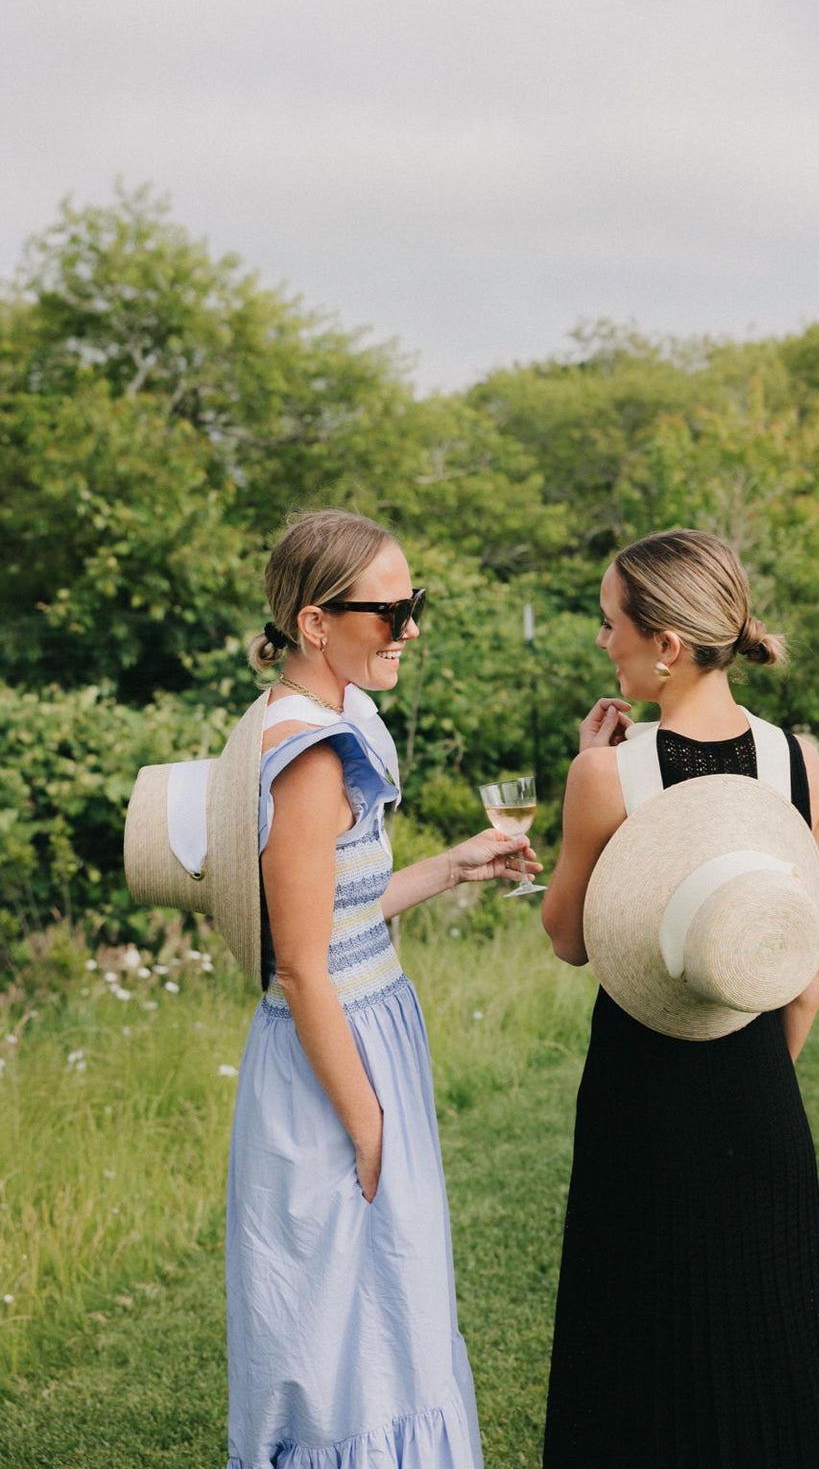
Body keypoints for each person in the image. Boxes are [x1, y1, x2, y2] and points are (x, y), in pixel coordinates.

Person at [540, 528, 819, 1468]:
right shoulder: (799, 764)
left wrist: (581, 775)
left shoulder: (607, 773)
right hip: (758, 1089)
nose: (605, 642)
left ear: (666, 644)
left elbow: (567, 940)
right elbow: (809, 969)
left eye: (612, 625)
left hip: (638, 1095)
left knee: (638, 1337)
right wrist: (756, 1076)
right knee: (773, 1334)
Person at [225, 509, 541, 1469]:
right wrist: (366, 1122)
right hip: (334, 1063)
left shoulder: (334, 718)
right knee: (344, 1342)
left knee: (389, 1316)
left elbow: (340, 917)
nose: (411, 630)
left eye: (416, 606)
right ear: (316, 623)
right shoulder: (311, 755)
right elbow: (299, 964)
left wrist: (454, 866)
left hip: (367, 1032)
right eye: (390, 613)